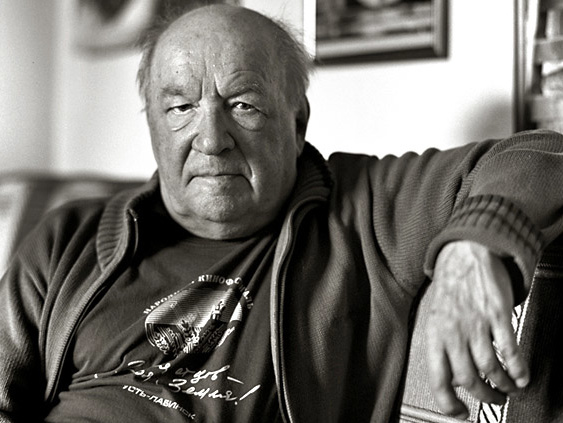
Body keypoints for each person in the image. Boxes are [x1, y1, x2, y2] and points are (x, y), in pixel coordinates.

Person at [0, 4, 562, 422]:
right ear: (152, 121)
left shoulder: (364, 210)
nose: (211, 139)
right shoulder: (68, 238)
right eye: (181, 107)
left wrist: (473, 248)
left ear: (297, 124)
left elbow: (543, 155)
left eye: (243, 105)